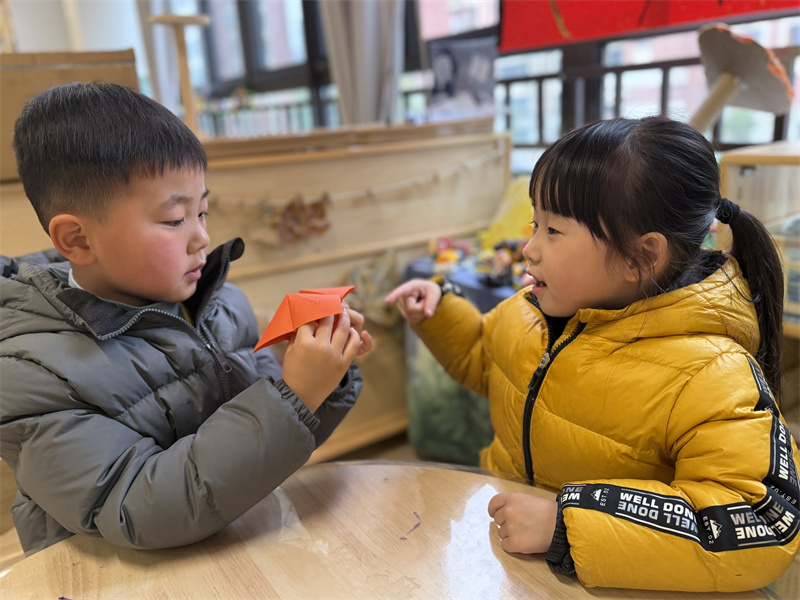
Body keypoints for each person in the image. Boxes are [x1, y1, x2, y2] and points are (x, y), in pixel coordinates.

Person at [386, 116, 799, 592]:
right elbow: (491, 362)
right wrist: (439, 314)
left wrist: (567, 524)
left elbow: (760, 523)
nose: (529, 248)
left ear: (641, 257)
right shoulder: (531, 312)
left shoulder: (712, 373)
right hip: (512, 564)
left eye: (553, 231)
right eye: (535, 223)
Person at [0, 82, 373, 556]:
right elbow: (140, 507)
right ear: (77, 239)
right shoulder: (29, 371)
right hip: (111, 578)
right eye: (175, 220)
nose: (202, 238)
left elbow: (265, 454)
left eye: (203, 211)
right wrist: (294, 396)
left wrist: (319, 381)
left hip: (230, 552)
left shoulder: (220, 305)